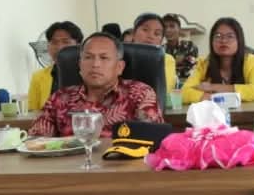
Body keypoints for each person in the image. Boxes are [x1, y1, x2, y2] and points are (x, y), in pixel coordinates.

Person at [30, 32, 163, 137]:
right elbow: (37, 140)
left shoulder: (140, 93)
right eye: (88, 57)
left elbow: (153, 139)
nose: (95, 64)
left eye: (104, 58)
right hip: (71, 169)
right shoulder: (59, 98)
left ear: (119, 67)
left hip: (122, 167)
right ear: (80, 65)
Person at [181, 17, 254, 104]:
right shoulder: (203, 64)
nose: (224, 41)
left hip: (245, 115)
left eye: (230, 36)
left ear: (239, 40)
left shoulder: (252, 61)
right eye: (218, 36)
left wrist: (212, 87)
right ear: (211, 41)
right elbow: (183, 93)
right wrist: (213, 98)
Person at [28, 21, 83, 111]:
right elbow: (32, 112)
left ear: (79, 46)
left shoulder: (91, 73)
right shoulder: (38, 77)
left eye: (66, 42)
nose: (59, 47)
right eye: (54, 42)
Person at [131, 13, 177, 90]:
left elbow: (164, 89)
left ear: (161, 41)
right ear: (133, 33)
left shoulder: (167, 59)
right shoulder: (120, 55)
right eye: (145, 30)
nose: (151, 36)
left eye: (157, 33)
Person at [162, 13, 199, 81]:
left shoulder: (189, 46)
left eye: (172, 26)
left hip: (185, 85)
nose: (168, 30)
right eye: (165, 27)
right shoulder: (160, 50)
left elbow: (191, 71)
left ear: (179, 28)